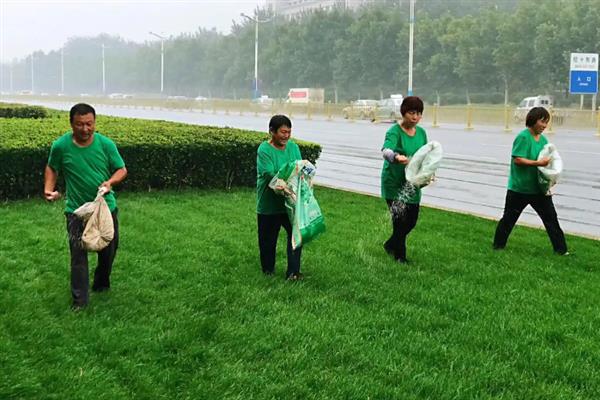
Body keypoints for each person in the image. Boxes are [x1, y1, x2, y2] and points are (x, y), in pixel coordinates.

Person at [44, 103, 127, 309]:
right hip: (76, 211)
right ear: (71, 123)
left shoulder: (106, 144)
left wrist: (110, 183)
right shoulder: (61, 146)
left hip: (105, 207)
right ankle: (79, 301)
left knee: (108, 250)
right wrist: (49, 188)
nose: (85, 129)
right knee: (78, 255)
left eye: (89, 124)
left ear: (94, 122)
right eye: (79, 124)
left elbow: (121, 169)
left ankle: (101, 283)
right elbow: (52, 168)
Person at [493, 107, 568, 254]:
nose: (544, 125)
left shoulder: (544, 140)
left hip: (538, 189)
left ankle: (561, 250)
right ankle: (498, 246)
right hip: (519, 189)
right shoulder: (523, 137)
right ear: (533, 120)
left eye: (546, 122)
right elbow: (518, 160)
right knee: (509, 219)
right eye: (542, 121)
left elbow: (549, 162)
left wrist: (550, 179)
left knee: (551, 220)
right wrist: (538, 164)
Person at [380, 96, 428, 263]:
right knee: (400, 222)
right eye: (411, 113)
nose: (415, 117)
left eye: (419, 114)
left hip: (412, 184)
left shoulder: (421, 133)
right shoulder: (394, 132)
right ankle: (400, 257)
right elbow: (385, 150)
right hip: (394, 183)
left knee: (411, 221)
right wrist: (395, 157)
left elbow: (425, 156)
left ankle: (390, 244)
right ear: (403, 113)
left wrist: (427, 174)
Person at [256, 115, 304, 280]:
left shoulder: (293, 148)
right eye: (283, 132)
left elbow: (299, 167)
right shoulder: (264, 150)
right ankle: (268, 271)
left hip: (290, 202)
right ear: (272, 132)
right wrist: (284, 183)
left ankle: (293, 272)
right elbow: (270, 173)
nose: (286, 136)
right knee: (268, 241)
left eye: (289, 132)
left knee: (295, 236)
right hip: (269, 204)